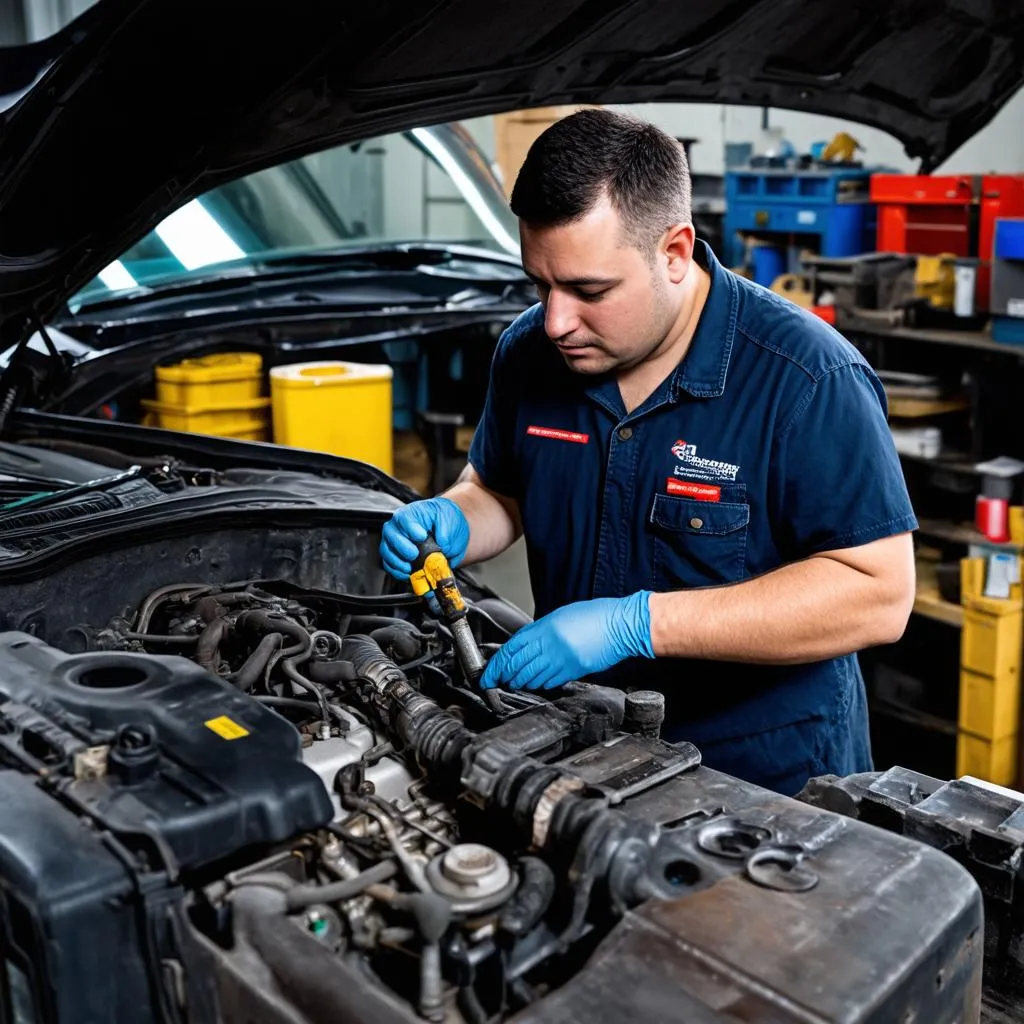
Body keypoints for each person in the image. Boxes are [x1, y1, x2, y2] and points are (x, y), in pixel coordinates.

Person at [380, 108, 917, 796]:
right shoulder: (528, 353)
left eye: (589, 290)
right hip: (582, 746)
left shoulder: (806, 377)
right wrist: (452, 518)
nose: (556, 320)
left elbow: (877, 593)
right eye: (540, 284)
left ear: (674, 251)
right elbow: (501, 489)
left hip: (763, 782)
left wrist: (638, 624)